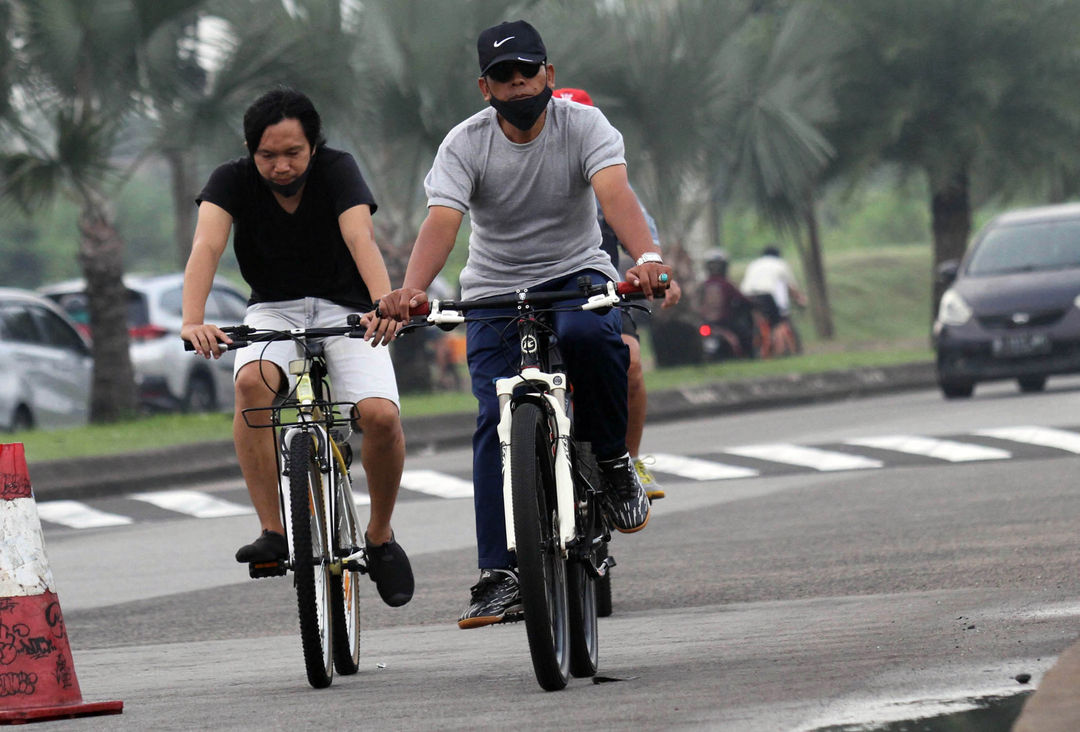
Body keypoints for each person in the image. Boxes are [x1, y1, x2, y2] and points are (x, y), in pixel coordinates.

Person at [379, 20, 673, 629]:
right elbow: (442, 221)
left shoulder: (586, 126)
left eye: (527, 75)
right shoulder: (464, 144)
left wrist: (646, 258)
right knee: (493, 417)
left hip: (576, 275)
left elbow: (615, 195)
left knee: (592, 337)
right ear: (484, 87)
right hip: (493, 291)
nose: (518, 89)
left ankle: (612, 462)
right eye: (504, 79)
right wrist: (412, 289)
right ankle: (498, 574)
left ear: (549, 76)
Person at [180, 88, 414, 608]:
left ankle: (379, 536)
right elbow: (207, 246)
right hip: (273, 309)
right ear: (250, 149)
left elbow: (361, 240)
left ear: (313, 145)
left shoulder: (338, 170)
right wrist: (192, 320)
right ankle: (273, 530)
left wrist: (384, 304)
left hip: (349, 308)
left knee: (378, 416)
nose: (281, 166)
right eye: (268, 155)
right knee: (249, 382)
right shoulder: (230, 180)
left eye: (293, 153)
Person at [554, 86, 682, 501]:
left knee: (629, 363)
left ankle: (628, 460)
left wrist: (658, 272)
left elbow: (640, 237)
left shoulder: (608, 173)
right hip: (529, 289)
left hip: (599, 285)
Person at [740, 245, 807, 355]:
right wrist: (800, 299)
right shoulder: (780, 264)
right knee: (778, 323)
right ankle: (779, 350)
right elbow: (791, 287)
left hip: (747, 296)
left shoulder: (754, 264)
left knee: (754, 321)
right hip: (766, 295)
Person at [701, 249, 754, 357]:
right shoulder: (726, 284)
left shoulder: (703, 284)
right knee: (746, 335)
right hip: (725, 322)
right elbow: (742, 299)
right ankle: (748, 355)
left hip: (705, 322)